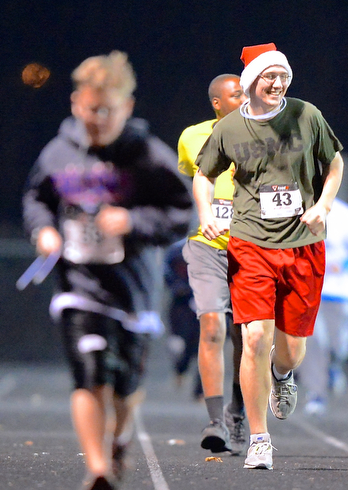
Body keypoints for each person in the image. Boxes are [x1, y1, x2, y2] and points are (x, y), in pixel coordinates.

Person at [22, 51, 193, 490]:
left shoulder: (148, 156)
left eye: (107, 110)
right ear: (76, 103)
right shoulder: (59, 152)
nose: (96, 118)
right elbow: (36, 199)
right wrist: (44, 231)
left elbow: (182, 214)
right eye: (89, 108)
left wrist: (132, 222)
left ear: (127, 107)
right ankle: (97, 469)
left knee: (124, 387)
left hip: (132, 286)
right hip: (78, 282)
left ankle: (118, 437)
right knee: (89, 372)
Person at [193, 42, 344, 470]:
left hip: (303, 243)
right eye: (268, 76)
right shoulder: (229, 129)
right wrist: (207, 215)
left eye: (282, 76)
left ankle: (282, 376)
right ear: (251, 82)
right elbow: (204, 177)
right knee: (254, 337)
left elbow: (335, 164)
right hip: (251, 243)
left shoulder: (306, 115)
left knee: (291, 349)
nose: (277, 83)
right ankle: (260, 438)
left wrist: (323, 205)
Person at [177, 74, 248, 456]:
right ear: (217, 103)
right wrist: (208, 212)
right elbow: (197, 179)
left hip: (252, 248)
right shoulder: (192, 137)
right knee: (211, 324)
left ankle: (238, 411)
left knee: (246, 337)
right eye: (236, 94)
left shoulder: (263, 133)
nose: (245, 98)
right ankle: (215, 419)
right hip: (207, 247)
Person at [297, 198, 348, 415]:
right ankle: (316, 393)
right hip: (310, 292)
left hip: (340, 293)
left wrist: (346, 267)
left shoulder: (345, 214)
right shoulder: (299, 209)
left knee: (342, 345)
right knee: (314, 343)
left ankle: (334, 365)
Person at [164, 239, 202, 401]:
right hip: (183, 304)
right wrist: (182, 289)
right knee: (186, 345)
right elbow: (167, 273)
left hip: (208, 304)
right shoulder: (177, 251)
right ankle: (181, 369)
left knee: (206, 346)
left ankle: (201, 390)